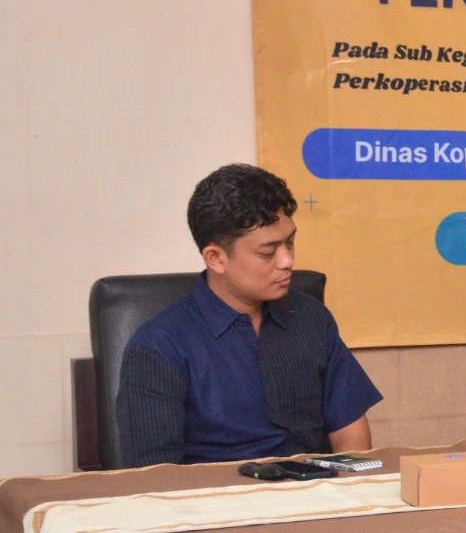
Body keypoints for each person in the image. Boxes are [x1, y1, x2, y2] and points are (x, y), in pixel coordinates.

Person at [117, 164, 382, 465]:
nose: (287, 261)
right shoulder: (159, 346)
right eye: (267, 252)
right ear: (216, 258)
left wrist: (347, 483)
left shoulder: (311, 317)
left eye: (290, 242)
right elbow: (156, 475)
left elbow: (350, 431)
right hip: (217, 493)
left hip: (316, 487)